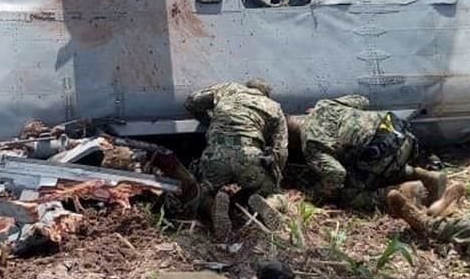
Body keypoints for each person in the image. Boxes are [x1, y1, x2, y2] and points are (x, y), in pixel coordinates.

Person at [291, 94, 445, 211]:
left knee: (349, 195)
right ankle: (428, 176)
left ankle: (406, 192)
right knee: (377, 164)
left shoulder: (311, 144)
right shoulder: (324, 104)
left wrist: (315, 195)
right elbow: (363, 100)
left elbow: (336, 174)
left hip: (381, 151)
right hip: (397, 131)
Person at [185, 80, 289, 239]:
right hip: (250, 157)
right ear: (266, 94)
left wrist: (208, 121)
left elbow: (191, 101)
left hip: (216, 155)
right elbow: (280, 150)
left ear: (247, 87)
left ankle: (212, 207)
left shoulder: (228, 88)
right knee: (275, 193)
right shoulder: (274, 107)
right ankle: (268, 203)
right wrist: (275, 176)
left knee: (200, 190)